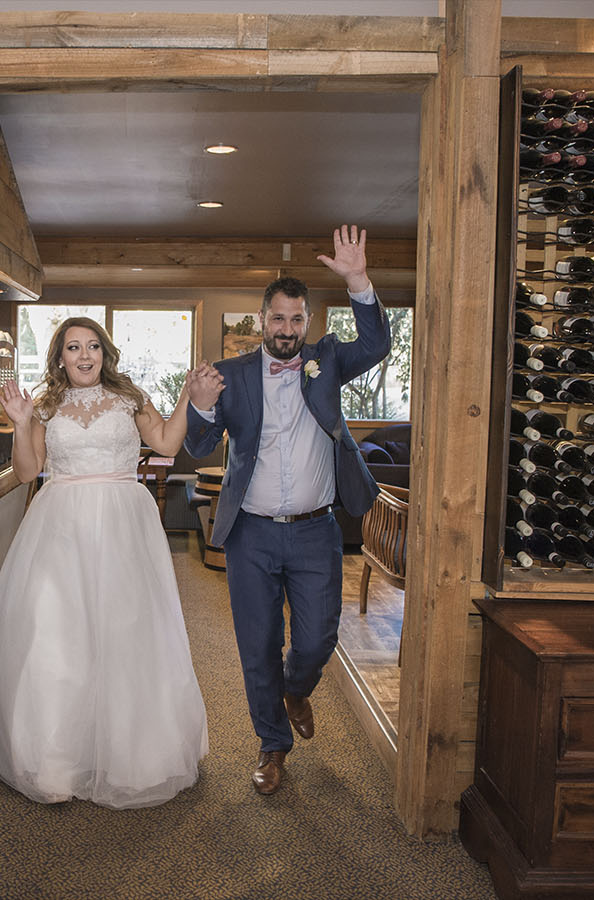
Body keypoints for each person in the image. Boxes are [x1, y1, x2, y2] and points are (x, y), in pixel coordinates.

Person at [184, 225, 391, 796]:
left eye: (297, 320)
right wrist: (200, 409)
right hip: (250, 532)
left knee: (319, 638)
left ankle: (297, 688)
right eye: (278, 319)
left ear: (306, 322)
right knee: (257, 646)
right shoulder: (235, 374)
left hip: (315, 530)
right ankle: (272, 746)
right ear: (262, 319)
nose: (288, 329)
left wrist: (357, 280)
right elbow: (200, 447)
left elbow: (376, 347)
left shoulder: (327, 360)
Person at [0, 317, 209, 809]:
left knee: (125, 632)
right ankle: (58, 758)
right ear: (59, 357)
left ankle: (131, 754)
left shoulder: (130, 398)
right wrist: (20, 424)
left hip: (124, 523)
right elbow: (27, 472)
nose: (85, 356)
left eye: (94, 347)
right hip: (59, 524)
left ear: (105, 353)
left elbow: (167, 442)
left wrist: (187, 395)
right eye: (74, 348)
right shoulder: (45, 406)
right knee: (58, 634)